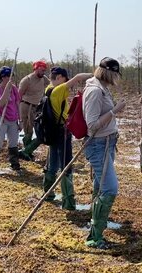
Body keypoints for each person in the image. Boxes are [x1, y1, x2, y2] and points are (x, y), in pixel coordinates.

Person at [83, 57, 126, 249]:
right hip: (98, 144)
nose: (117, 78)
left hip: (108, 143)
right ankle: (95, 237)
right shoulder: (94, 91)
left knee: (101, 186)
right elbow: (91, 127)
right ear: (110, 73)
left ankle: (95, 224)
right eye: (116, 74)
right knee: (110, 188)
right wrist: (115, 111)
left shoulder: (102, 88)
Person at [43, 67, 92, 209]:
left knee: (52, 163)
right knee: (66, 166)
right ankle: (68, 202)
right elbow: (77, 77)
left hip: (52, 131)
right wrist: (93, 74)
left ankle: (48, 193)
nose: (67, 85)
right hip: (61, 132)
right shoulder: (57, 90)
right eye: (65, 79)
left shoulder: (48, 89)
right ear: (59, 77)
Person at [0, 66, 21, 175]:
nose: (9, 79)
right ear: (2, 77)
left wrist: (20, 121)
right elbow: (0, 103)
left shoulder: (14, 88)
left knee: (13, 144)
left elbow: (17, 104)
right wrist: (7, 90)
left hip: (13, 120)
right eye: (7, 77)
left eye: (10, 77)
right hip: (2, 119)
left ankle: (15, 166)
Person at [18, 60, 50, 160]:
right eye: (41, 70)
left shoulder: (44, 79)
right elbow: (19, 95)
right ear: (35, 69)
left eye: (44, 70)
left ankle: (27, 151)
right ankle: (27, 152)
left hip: (38, 108)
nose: (43, 72)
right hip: (26, 106)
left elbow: (51, 86)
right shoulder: (27, 80)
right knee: (28, 130)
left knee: (40, 131)